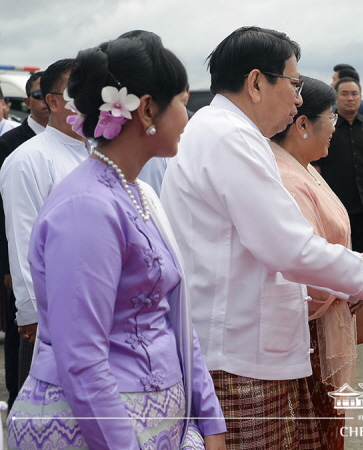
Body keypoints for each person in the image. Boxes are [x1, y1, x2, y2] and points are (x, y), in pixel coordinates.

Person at [159, 26, 363, 450]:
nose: (300, 98)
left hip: (243, 349)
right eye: (294, 84)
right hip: (237, 358)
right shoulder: (230, 136)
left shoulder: (228, 131)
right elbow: (288, 246)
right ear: (257, 82)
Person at [5, 31, 226, 449]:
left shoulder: (136, 192)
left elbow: (174, 315)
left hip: (151, 421)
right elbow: (83, 359)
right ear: (146, 109)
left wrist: (209, 421)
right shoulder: (86, 208)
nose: (188, 115)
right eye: (181, 101)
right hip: (92, 431)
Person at [269, 76, 354, 450]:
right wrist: (353, 283)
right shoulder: (288, 178)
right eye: (331, 116)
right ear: (302, 125)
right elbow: (303, 269)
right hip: (311, 334)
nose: (335, 126)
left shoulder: (307, 169)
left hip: (331, 314)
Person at [0, 59, 89, 392]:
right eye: (77, 93)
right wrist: (33, 315)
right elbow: (23, 240)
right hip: (50, 315)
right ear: (52, 101)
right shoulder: (27, 159)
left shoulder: (99, 151)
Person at [0, 70, 48, 409]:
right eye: (37, 95)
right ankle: (18, 396)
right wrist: (6, 264)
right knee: (20, 331)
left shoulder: (80, 143)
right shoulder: (9, 145)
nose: (44, 101)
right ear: (27, 101)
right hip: (16, 256)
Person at [313, 77, 363, 253]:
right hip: (336, 205)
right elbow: (316, 166)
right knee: (339, 254)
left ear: (360, 97)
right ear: (336, 98)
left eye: (354, 94)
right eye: (344, 94)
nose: (350, 98)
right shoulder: (327, 127)